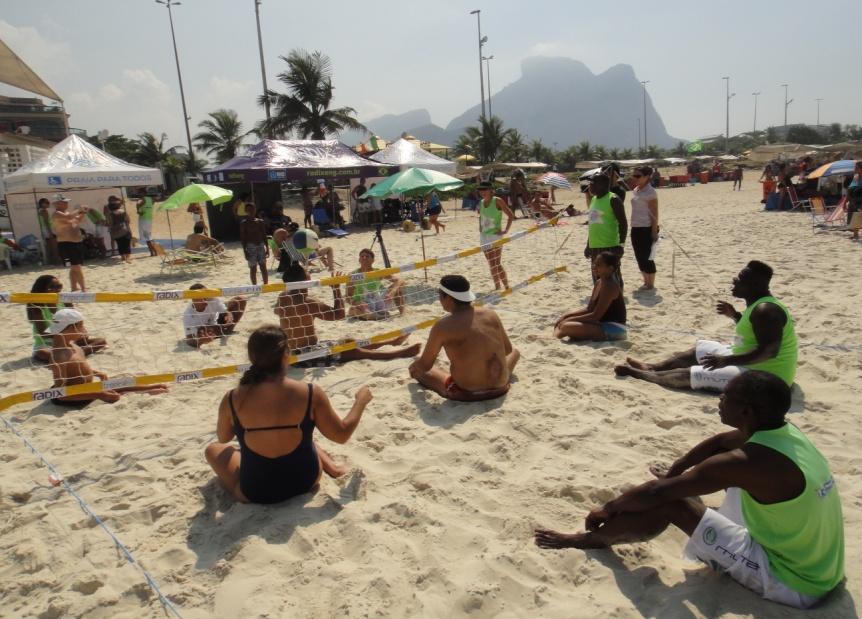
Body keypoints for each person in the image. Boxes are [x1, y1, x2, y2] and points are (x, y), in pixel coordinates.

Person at [534, 371, 844, 609]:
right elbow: (721, 442)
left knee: (674, 504)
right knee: (697, 488)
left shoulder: (748, 461)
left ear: (746, 411)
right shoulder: (784, 434)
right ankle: (684, 494)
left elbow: (657, 494)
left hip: (793, 583)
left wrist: (609, 508)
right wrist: (676, 469)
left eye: (726, 396)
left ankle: (592, 540)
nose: (720, 399)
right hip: (821, 567)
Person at [204, 326, 372, 504]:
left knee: (213, 449)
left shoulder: (233, 397)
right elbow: (341, 435)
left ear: (252, 357)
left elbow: (223, 437)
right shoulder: (310, 391)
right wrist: (360, 402)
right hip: (306, 481)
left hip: (256, 491)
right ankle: (334, 468)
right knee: (299, 433)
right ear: (286, 354)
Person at [616, 261, 797, 392]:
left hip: (768, 376)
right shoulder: (758, 305)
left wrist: (726, 361)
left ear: (755, 285)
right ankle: (652, 368)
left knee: (691, 374)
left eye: (740, 279)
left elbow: (769, 352)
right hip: (747, 358)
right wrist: (735, 315)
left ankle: (642, 375)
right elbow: (754, 330)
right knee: (700, 348)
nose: (734, 280)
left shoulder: (766, 310)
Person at [275, 261, 419, 367]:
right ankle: (398, 354)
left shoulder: (283, 296)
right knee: (352, 352)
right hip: (306, 355)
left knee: (348, 342)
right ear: (304, 280)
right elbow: (339, 315)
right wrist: (335, 288)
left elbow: (277, 310)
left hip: (291, 351)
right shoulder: (308, 302)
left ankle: (391, 342)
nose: (310, 272)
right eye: (307, 271)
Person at [409, 274, 520, 401]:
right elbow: (508, 350)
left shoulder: (443, 326)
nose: (439, 299)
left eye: (440, 296)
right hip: (501, 386)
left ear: (449, 298)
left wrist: (415, 364)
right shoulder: (490, 314)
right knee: (515, 352)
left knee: (416, 369)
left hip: (467, 393)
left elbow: (425, 365)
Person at [45, 308, 168, 406]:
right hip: (72, 397)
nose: (84, 329)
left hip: (85, 387)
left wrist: (96, 373)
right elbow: (60, 394)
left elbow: (75, 368)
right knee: (111, 393)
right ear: (70, 328)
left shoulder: (72, 345)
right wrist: (99, 395)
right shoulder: (58, 356)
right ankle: (140, 391)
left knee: (116, 383)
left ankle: (147, 388)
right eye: (81, 326)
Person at [27, 275, 106, 362]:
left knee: (101, 341)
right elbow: (43, 333)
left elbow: (77, 321)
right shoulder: (37, 306)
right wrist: (67, 334)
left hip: (68, 341)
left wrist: (81, 332)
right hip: (47, 344)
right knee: (42, 353)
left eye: (59, 286)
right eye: (52, 287)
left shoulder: (65, 300)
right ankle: (74, 354)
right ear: (42, 290)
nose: (57, 290)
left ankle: (73, 354)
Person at [554, 252, 626, 341]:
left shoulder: (610, 286)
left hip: (615, 329)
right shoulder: (599, 282)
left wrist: (569, 320)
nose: (594, 267)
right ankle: (557, 335)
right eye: (594, 264)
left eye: (599, 265)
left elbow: (595, 316)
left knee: (566, 326)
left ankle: (555, 336)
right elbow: (589, 309)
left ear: (610, 268)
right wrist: (566, 316)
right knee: (563, 322)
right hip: (601, 323)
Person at [585, 174, 627, 284]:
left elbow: (623, 223)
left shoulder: (613, 199)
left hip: (609, 247)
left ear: (602, 185)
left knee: (612, 279)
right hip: (595, 247)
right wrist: (588, 245)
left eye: (593, 183)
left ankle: (616, 300)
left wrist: (621, 245)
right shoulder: (594, 199)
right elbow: (593, 224)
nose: (590, 186)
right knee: (598, 278)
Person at [346, 248, 406, 320]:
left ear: (373, 260)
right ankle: (376, 316)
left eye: (367, 256)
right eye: (362, 256)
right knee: (352, 310)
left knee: (397, 288)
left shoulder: (377, 272)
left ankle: (403, 314)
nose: (364, 258)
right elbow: (348, 297)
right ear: (359, 260)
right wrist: (357, 303)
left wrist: (392, 293)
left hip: (378, 302)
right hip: (363, 305)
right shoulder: (353, 275)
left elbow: (400, 280)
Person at [477, 181, 515, 290]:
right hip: (484, 236)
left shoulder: (497, 200)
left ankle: (507, 286)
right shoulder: (481, 202)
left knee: (496, 263)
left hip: (495, 236)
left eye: (485, 189)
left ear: (491, 190)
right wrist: (479, 226)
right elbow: (481, 216)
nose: (482, 192)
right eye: (480, 190)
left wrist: (505, 230)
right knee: (491, 263)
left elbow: (511, 216)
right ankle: (497, 287)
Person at [183, 283, 247, 348]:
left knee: (240, 299)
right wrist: (200, 341)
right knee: (203, 330)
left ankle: (228, 330)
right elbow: (189, 340)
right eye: (203, 297)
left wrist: (229, 316)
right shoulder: (188, 315)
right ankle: (220, 332)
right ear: (194, 300)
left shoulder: (211, 298)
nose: (206, 299)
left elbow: (225, 311)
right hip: (205, 332)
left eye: (206, 295)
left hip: (217, 323)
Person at [628, 166, 659, 290]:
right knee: (639, 256)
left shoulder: (650, 192)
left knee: (647, 257)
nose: (634, 178)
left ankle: (651, 283)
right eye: (634, 175)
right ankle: (645, 281)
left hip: (646, 228)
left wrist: (654, 231)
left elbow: (654, 213)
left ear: (647, 177)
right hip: (635, 227)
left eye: (638, 176)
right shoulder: (636, 190)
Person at [50, 195, 89, 292]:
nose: (67, 203)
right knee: (76, 267)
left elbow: (76, 221)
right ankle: (84, 288)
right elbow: (69, 217)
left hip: (76, 243)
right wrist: (79, 209)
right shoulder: (56, 214)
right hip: (66, 244)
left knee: (74, 267)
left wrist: (83, 212)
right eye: (65, 202)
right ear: (57, 204)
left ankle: (74, 287)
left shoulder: (67, 213)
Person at [239, 203, 269, 285]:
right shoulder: (244, 223)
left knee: (263, 267)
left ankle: (266, 285)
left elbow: (264, 235)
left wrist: (267, 248)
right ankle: (254, 287)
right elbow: (243, 238)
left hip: (260, 245)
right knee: (253, 268)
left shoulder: (260, 222)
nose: (251, 212)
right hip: (250, 246)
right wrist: (245, 251)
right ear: (246, 211)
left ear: (255, 210)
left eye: (252, 209)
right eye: (249, 210)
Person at [106, 196, 132, 264]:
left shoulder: (111, 214)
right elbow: (128, 220)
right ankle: (128, 258)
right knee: (127, 244)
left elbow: (110, 223)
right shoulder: (123, 212)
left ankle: (123, 257)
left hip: (116, 232)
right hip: (125, 230)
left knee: (120, 244)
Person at [37, 197, 61, 265]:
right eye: (47, 202)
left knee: (49, 246)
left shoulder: (39, 211)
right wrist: (50, 232)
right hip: (47, 230)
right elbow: (46, 222)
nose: (48, 204)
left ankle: (50, 262)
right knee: (54, 246)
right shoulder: (44, 211)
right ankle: (55, 261)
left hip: (44, 230)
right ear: (42, 204)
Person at [135, 188, 156, 256]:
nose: (138, 194)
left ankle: (153, 252)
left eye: (139, 193)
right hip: (149, 218)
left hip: (143, 218)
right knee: (149, 235)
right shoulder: (151, 199)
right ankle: (154, 252)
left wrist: (138, 210)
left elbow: (138, 204)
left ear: (143, 193)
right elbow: (153, 202)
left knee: (147, 236)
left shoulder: (142, 199)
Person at [846, 161, 862, 241]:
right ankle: (855, 235)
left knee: (858, 217)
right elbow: (850, 188)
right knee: (854, 217)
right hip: (853, 200)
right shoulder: (855, 176)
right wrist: (846, 201)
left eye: (856, 167)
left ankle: (856, 235)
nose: (854, 169)